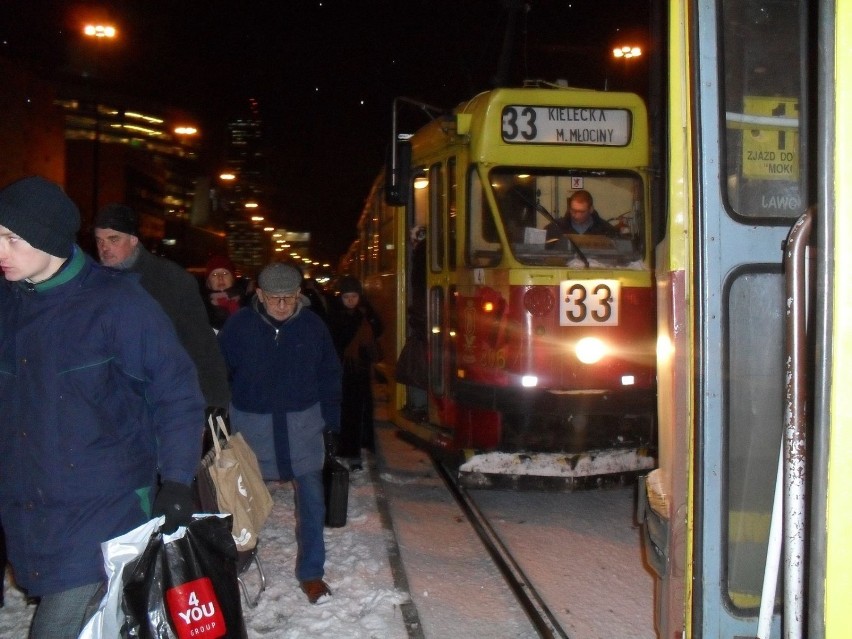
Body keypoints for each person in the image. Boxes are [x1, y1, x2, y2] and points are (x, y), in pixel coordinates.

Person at [0, 176, 205, 638]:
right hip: (29, 508)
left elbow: (176, 392)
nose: (0, 250)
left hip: (102, 513)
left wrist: (176, 480)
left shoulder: (117, 304)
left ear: (48, 237)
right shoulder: (8, 306)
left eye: (11, 238)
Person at [217, 262, 342, 604]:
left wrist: (331, 424)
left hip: (302, 427)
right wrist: (222, 412)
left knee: (312, 502)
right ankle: (237, 562)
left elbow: (330, 376)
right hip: (254, 427)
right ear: (259, 294)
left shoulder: (313, 327)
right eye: (275, 298)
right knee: (243, 502)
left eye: (289, 298)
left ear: (299, 294)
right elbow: (220, 370)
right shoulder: (239, 325)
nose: (283, 306)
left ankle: (312, 572)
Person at [93, 203, 231, 416]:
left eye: (113, 239)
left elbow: (201, 346)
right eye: (100, 241)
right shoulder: (92, 283)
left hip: (161, 403)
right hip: (109, 405)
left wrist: (214, 402)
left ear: (133, 240)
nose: (105, 248)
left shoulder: (171, 280)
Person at [326, 275, 383, 470]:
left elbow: (378, 332)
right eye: (346, 297)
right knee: (346, 413)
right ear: (340, 298)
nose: (350, 300)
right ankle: (347, 451)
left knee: (359, 413)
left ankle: (356, 450)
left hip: (359, 372)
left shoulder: (366, 314)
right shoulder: (335, 317)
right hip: (342, 372)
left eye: (354, 296)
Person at [202, 254, 253, 331]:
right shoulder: (200, 308)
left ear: (233, 278)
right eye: (214, 274)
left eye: (225, 273)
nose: (220, 277)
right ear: (208, 282)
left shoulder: (249, 304)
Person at [545, 189, 619, 241]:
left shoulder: (606, 231)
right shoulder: (555, 228)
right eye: (573, 210)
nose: (576, 215)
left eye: (581, 212)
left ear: (591, 209)